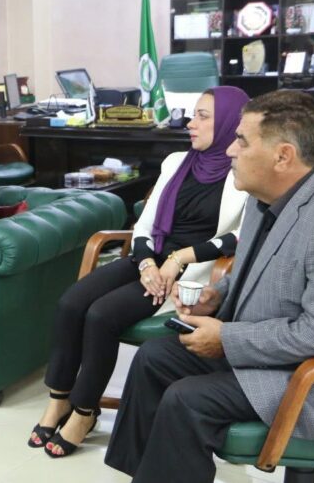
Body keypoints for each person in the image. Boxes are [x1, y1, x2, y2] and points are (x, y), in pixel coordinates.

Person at [104, 90, 314, 482]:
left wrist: (227, 339)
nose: (230, 150)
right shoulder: (265, 194)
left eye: (242, 141)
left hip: (309, 378)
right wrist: (218, 296)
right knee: (152, 358)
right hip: (267, 351)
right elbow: (257, 268)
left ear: (283, 156)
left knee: (186, 400)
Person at [30, 86, 251, 458]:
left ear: (230, 123)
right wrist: (148, 262)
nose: (190, 123)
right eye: (193, 114)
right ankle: (59, 400)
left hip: (189, 274)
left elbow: (241, 235)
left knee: (101, 316)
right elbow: (145, 224)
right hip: (149, 260)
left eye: (202, 116)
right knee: (70, 303)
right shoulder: (176, 162)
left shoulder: (242, 173)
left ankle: (84, 412)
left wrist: (179, 258)